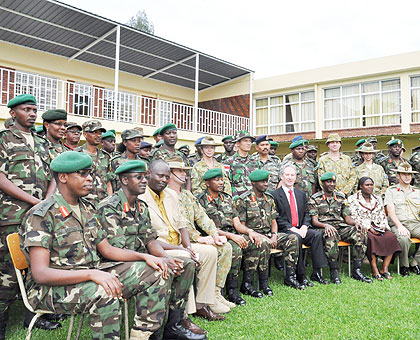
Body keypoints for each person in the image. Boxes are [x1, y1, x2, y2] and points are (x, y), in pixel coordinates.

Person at [19, 151, 170, 340]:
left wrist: (145, 256)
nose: (90, 178)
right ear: (63, 177)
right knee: (105, 292)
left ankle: (142, 334)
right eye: (82, 173)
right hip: (50, 288)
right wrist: (92, 274)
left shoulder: (88, 208)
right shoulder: (42, 214)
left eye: (90, 173)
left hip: (90, 273)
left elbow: (107, 250)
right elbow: (41, 274)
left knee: (155, 270)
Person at [96, 160, 205, 340]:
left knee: (184, 263)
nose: (144, 181)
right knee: (158, 270)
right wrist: (152, 259)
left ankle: (174, 325)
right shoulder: (109, 207)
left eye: (145, 177)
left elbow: (150, 240)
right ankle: (148, 333)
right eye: (138, 177)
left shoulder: (140, 206)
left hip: (140, 260)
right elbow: (113, 250)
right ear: (124, 180)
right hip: (114, 265)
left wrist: (165, 258)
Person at [0, 94, 60, 337]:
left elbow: (54, 175)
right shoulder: (4, 139)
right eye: (27, 109)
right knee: (7, 272)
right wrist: (35, 201)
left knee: (37, 266)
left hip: (38, 217)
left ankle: (33, 317)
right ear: (13, 113)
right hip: (12, 216)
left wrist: (46, 201)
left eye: (35, 109)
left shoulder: (42, 142)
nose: (33, 113)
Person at [140, 160, 225, 322]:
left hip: (179, 244)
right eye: (160, 176)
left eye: (166, 177)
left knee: (210, 252)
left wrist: (188, 246)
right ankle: (184, 313)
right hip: (158, 247)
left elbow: (182, 224)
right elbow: (149, 239)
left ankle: (202, 304)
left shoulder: (171, 195)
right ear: (148, 174)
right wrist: (184, 250)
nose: (164, 180)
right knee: (185, 258)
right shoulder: (141, 196)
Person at [167, 156, 234, 314]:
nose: (184, 174)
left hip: (193, 240)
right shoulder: (167, 195)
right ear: (170, 174)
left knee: (225, 247)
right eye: (180, 171)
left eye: (184, 171)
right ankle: (204, 301)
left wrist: (214, 234)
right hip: (179, 242)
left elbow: (202, 216)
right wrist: (200, 238)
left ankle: (215, 294)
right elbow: (180, 224)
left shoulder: (187, 195)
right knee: (212, 251)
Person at [197, 168, 271, 303]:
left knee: (258, 242)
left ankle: (247, 284)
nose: (221, 182)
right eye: (217, 180)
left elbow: (237, 224)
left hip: (232, 234)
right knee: (235, 249)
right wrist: (232, 236)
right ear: (207, 183)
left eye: (222, 180)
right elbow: (207, 227)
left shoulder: (227, 198)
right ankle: (232, 290)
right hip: (214, 237)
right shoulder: (201, 200)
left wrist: (250, 232)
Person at [235, 169, 301, 293]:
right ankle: (255, 283)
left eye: (267, 181)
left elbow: (273, 221)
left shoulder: (269, 199)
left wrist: (274, 235)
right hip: (252, 235)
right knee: (263, 243)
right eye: (263, 182)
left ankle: (290, 277)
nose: (266, 184)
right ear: (254, 183)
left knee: (293, 238)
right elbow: (241, 226)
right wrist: (263, 237)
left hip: (269, 234)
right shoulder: (244, 199)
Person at [271, 163, 329, 288]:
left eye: (292, 175)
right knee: (296, 238)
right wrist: (291, 228)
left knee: (317, 235)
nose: (290, 177)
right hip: (286, 230)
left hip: (301, 228)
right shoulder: (274, 195)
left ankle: (317, 273)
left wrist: (305, 226)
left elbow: (307, 213)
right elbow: (276, 217)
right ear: (282, 176)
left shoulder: (300, 194)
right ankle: (301, 276)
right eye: (287, 175)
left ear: (296, 177)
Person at [308, 171, 372, 284]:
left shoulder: (340, 197)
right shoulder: (314, 198)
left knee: (360, 233)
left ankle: (357, 270)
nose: (332, 184)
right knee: (331, 235)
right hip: (323, 227)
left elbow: (347, 218)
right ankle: (334, 271)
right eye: (329, 182)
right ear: (322, 183)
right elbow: (314, 221)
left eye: (333, 182)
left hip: (340, 226)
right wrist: (325, 225)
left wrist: (356, 223)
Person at [348, 177, 401, 280]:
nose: (370, 187)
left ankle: (384, 268)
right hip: (364, 227)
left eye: (371, 185)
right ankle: (375, 269)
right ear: (360, 187)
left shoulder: (377, 198)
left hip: (379, 226)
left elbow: (382, 214)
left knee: (391, 237)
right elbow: (354, 216)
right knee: (371, 238)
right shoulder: (353, 199)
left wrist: (382, 226)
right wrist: (369, 228)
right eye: (367, 185)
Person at [384, 163, 420, 276]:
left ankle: (415, 263)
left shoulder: (417, 191)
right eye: (404, 174)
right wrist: (399, 226)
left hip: (415, 223)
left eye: (409, 174)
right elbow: (390, 210)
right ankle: (404, 266)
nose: (407, 177)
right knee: (404, 238)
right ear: (398, 176)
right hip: (399, 223)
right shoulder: (391, 191)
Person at [75, 120, 108, 205]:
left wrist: (109, 201)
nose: (98, 136)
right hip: (83, 202)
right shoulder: (77, 154)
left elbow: (109, 182)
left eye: (100, 133)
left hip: (103, 203)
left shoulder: (106, 156)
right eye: (94, 132)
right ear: (85, 134)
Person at [150, 123, 191, 189]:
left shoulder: (181, 155)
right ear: (162, 137)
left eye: (174, 133)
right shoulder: (156, 154)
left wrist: (188, 193)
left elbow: (188, 177)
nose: (172, 136)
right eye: (168, 133)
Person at [224, 130, 259, 198]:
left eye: (250, 141)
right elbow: (227, 184)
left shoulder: (255, 161)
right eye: (245, 141)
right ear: (238, 143)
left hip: (254, 199)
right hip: (237, 200)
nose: (249, 143)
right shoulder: (228, 162)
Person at [108, 129, 142, 193]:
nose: (137, 144)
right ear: (125, 142)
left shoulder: (143, 162)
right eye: (133, 141)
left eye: (139, 141)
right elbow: (111, 184)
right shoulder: (116, 161)